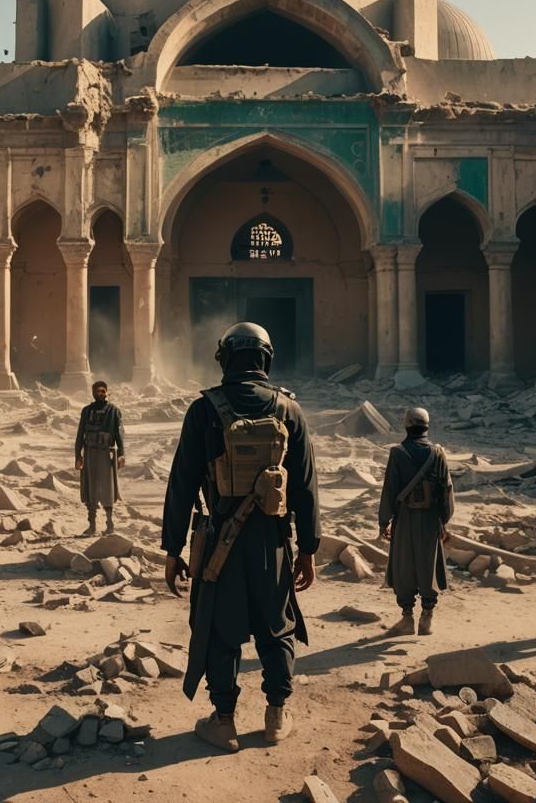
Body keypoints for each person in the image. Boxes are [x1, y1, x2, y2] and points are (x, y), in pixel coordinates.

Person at [161, 322, 320, 753]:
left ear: (225, 358)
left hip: (220, 542)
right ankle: (276, 716)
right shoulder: (290, 410)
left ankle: (224, 720)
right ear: (266, 359)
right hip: (272, 541)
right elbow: (305, 487)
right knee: (278, 625)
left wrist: (173, 550)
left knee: (219, 628)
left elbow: (181, 485)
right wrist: (308, 549)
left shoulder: (204, 411)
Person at [379, 407, 454, 636]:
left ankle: (407, 618)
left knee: (404, 567)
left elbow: (389, 490)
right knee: (428, 566)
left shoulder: (398, 453)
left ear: (406, 425)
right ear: (427, 426)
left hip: (405, 518)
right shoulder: (438, 453)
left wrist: (384, 521)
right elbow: (446, 489)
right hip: (431, 519)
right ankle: (427, 618)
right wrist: (444, 520)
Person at [75, 381, 125, 536]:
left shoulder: (113, 411)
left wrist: (122, 453)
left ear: (107, 392)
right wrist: (78, 455)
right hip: (90, 453)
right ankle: (92, 526)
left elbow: (118, 434)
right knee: (91, 489)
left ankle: (110, 524)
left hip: (105, 454)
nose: (100, 394)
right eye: (97, 391)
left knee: (107, 489)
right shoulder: (86, 411)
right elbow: (80, 434)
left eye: (103, 391)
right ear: (93, 393)